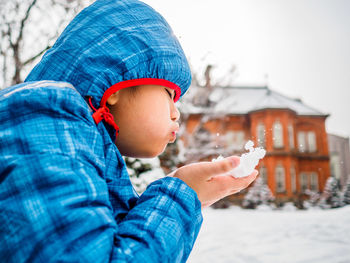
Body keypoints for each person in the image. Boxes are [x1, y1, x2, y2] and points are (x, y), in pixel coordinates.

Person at [0, 0, 258, 262]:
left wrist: (190, 197)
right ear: (118, 86)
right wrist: (180, 196)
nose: (175, 112)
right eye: (169, 94)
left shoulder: (81, 141)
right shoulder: (48, 114)